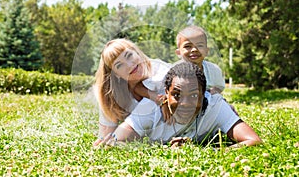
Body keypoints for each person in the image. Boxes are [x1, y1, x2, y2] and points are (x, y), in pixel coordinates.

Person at [97, 61, 262, 147]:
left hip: (217, 123)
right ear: (165, 93)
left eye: (194, 95)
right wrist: (110, 142)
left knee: (227, 119)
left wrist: (208, 151)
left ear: (204, 94)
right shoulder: (148, 109)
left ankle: (231, 114)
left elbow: (253, 140)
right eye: (177, 95)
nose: (185, 104)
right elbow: (117, 140)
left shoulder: (215, 106)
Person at [93, 38, 171, 143]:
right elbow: (106, 136)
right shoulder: (113, 95)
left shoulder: (161, 71)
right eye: (119, 65)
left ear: (137, 52)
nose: (130, 65)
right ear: (115, 74)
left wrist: (160, 99)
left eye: (129, 55)